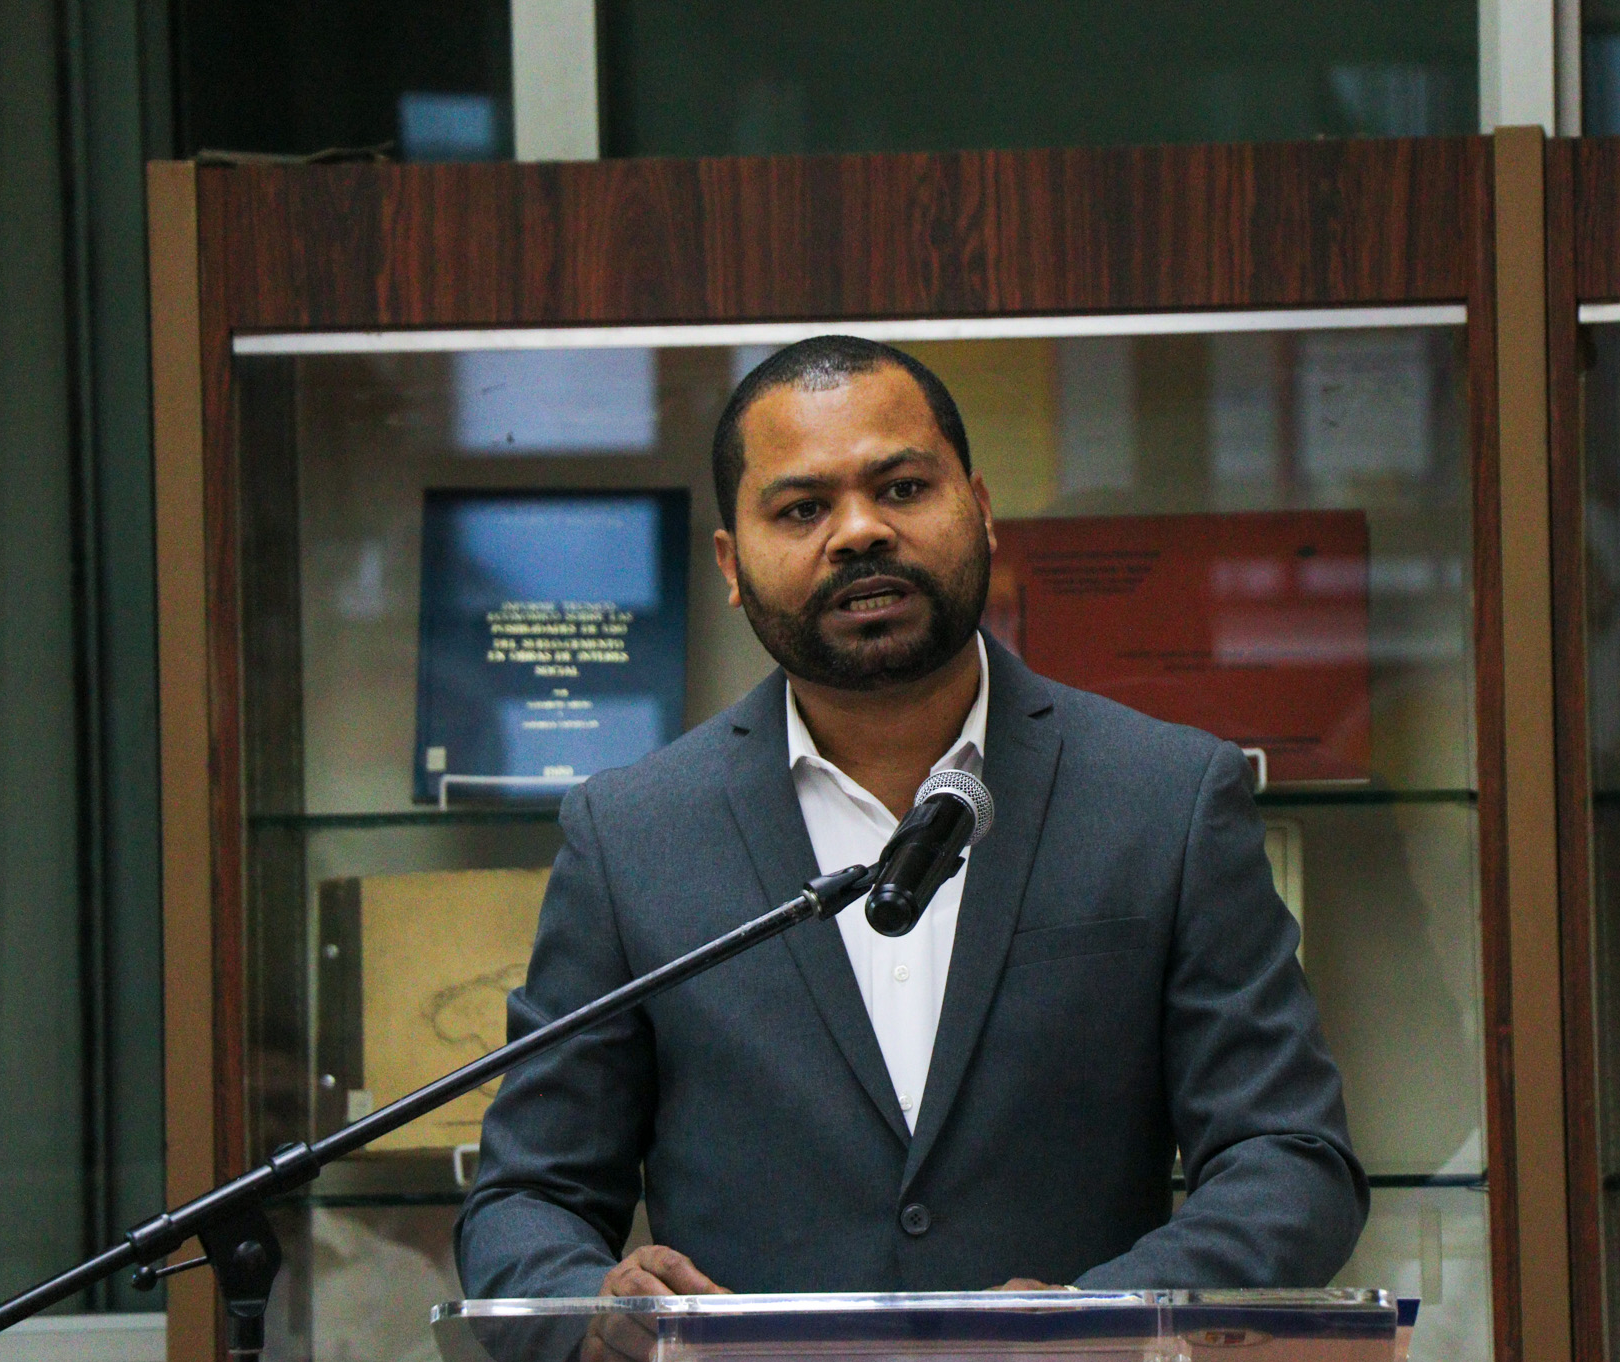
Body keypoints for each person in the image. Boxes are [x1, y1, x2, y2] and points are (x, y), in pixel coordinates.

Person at [455, 336, 1366, 1299]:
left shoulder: (1164, 796)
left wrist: (1095, 1319)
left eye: (901, 488)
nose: (859, 532)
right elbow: (526, 1198)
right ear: (731, 562)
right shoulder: (632, 834)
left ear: (980, 509)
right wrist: (594, 1310)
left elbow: (1291, 1160)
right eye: (802, 508)